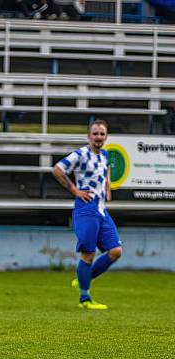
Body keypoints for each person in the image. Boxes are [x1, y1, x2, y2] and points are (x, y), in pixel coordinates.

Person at [53, 119, 123, 310]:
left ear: (106, 137)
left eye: (102, 134)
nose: (98, 137)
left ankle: (84, 277)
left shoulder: (105, 155)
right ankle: (85, 299)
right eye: (95, 133)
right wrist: (75, 190)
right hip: (86, 207)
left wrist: (107, 186)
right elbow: (58, 169)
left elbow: (106, 169)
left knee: (116, 251)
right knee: (88, 254)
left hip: (101, 208)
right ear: (89, 136)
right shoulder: (82, 153)